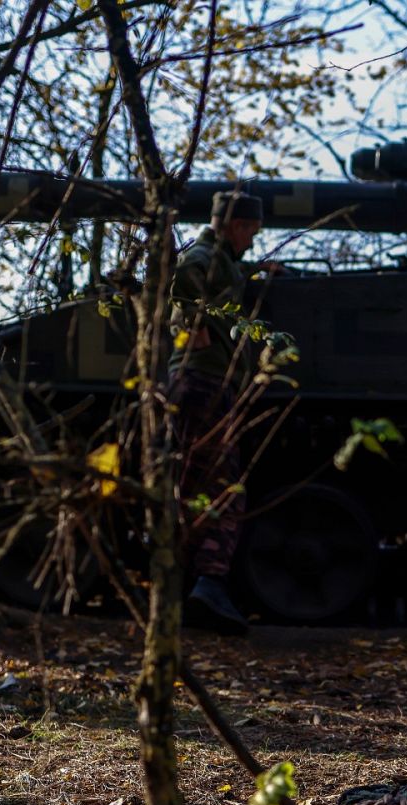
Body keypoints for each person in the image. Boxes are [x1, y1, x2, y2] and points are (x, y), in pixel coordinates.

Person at [166, 191, 268, 635]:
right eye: (249, 230)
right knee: (223, 489)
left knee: (191, 482)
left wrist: (253, 272)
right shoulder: (205, 254)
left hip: (201, 384)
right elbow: (184, 277)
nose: (251, 240)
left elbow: (217, 279)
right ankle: (208, 583)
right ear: (234, 225)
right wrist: (193, 324)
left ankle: (177, 585)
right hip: (204, 382)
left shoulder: (221, 259)